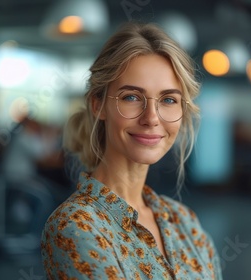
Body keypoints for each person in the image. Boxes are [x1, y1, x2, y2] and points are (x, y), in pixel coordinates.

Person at [40, 23, 222, 279]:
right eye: (132, 97)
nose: (151, 118)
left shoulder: (185, 221)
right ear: (98, 105)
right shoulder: (77, 226)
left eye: (168, 100)